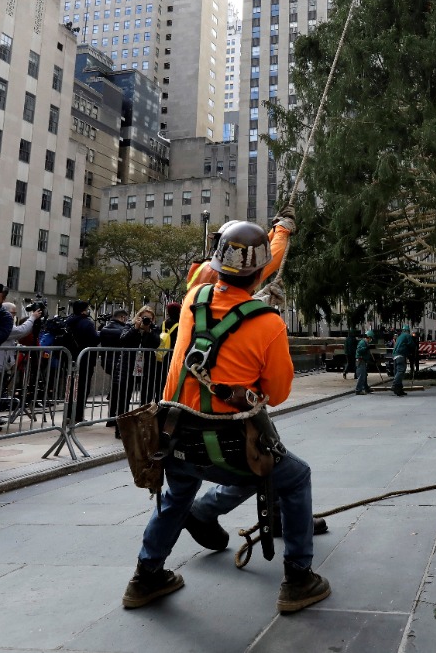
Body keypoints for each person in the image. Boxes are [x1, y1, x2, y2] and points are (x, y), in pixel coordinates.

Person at [124, 221, 330, 614]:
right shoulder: (268, 323)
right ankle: (299, 579)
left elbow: (237, 270)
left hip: (175, 439)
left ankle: (145, 575)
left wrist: (276, 234)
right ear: (259, 274)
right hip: (232, 446)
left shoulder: (193, 298)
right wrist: (282, 234)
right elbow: (279, 393)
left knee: (176, 496)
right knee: (292, 474)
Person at [0, 301, 43, 432]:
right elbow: (20, 331)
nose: (13, 316)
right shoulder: (3, 325)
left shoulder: (4, 324)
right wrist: (33, 317)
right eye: (12, 313)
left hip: (2, 364)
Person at [63, 300, 102, 423]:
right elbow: (94, 339)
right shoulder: (86, 323)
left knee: (70, 388)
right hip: (85, 359)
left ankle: (68, 414)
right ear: (84, 310)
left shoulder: (68, 321)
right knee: (82, 388)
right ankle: (78, 415)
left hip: (70, 358)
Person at [102, 309, 134, 425]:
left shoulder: (105, 329)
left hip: (108, 362)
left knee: (115, 390)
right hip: (120, 363)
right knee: (121, 393)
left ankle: (111, 418)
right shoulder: (122, 330)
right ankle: (118, 418)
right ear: (122, 317)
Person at [391, 324, 416, 396]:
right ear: (408, 331)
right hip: (401, 355)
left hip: (395, 355)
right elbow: (412, 345)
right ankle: (394, 384)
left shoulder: (399, 337)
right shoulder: (407, 336)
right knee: (401, 371)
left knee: (397, 372)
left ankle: (399, 389)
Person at [354, 331, 375, 395]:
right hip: (360, 360)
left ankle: (366, 388)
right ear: (368, 337)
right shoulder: (362, 343)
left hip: (363, 360)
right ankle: (358, 390)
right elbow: (359, 350)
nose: (371, 340)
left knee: (364, 375)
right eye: (370, 338)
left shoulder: (366, 343)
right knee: (361, 375)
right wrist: (366, 348)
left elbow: (366, 354)